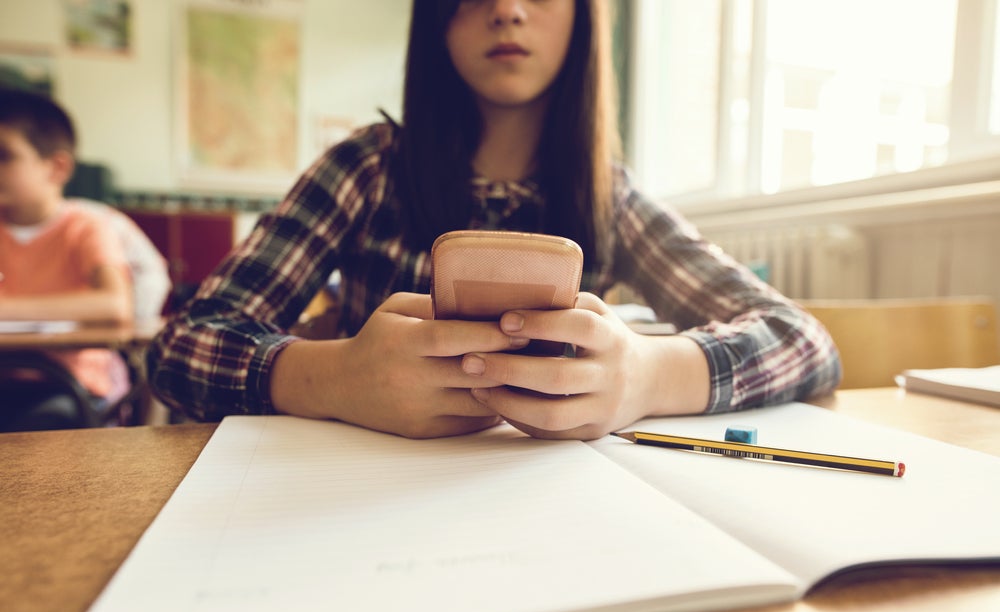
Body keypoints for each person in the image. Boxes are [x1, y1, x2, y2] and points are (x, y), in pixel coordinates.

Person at [147, 0, 841, 440]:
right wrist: (334, 376)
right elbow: (181, 349)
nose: (507, 9)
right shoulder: (366, 167)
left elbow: (803, 340)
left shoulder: (612, 198)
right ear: (436, 19)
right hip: (366, 508)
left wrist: (649, 375)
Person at [0, 88, 133, 431]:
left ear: (56, 167)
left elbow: (115, 304)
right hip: (6, 376)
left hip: (68, 385)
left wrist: (7, 308)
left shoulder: (86, 226)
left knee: (40, 428)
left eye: (4, 155)